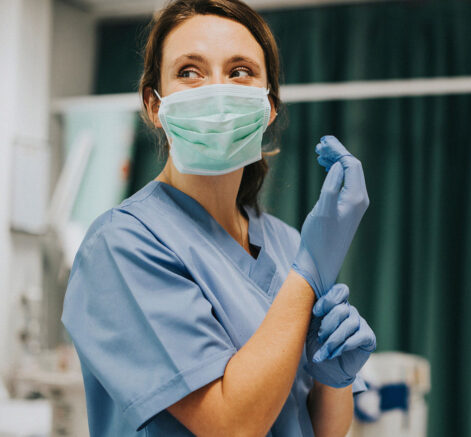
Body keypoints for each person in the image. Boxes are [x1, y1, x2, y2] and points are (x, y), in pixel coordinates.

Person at [60, 1, 376, 435]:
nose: (217, 91)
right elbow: (232, 426)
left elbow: (320, 429)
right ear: (154, 104)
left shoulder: (286, 244)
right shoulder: (121, 246)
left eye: (240, 71)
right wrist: (308, 274)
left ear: (269, 107)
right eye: (190, 71)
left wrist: (333, 380)